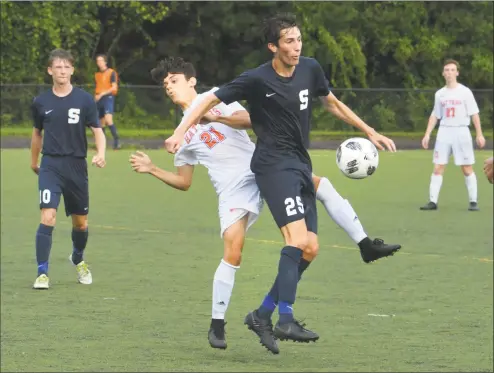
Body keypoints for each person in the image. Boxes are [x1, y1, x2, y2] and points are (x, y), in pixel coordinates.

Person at [164, 12, 398, 354]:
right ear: (273, 46)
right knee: (296, 238)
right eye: (289, 41)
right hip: (272, 165)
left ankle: (263, 314)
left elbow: (332, 102)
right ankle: (285, 317)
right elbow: (208, 100)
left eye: (299, 39)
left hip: (298, 162)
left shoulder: (310, 68)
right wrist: (179, 132)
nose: (296, 46)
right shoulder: (256, 79)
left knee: (311, 247)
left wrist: (370, 131)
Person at [30, 48, 106, 290]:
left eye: (66, 67)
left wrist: (101, 153)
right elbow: (36, 134)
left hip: (76, 165)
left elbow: (97, 130)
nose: (62, 71)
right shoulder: (40, 102)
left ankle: (78, 258)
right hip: (51, 164)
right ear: (50, 70)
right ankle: (42, 272)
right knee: (47, 217)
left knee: (80, 223)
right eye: (57, 67)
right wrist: (34, 161)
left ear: (72, 70)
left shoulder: (84, 99)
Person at [420, 59, 486, 211]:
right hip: (444, 131)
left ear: (457, 72)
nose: (449, 72)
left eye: (452, 70)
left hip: (461, 131)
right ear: (443, 73)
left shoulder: (465, 92)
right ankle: (432, 201)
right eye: (446, 70)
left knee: (467, 168)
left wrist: (479, 134)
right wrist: (427, 134)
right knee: (438, 167)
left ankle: (473, 201)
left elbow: (474, 114)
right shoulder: (440, 94)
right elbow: (435, 115)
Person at [94, 54, 120, 149]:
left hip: (108, 97)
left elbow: (114, 87)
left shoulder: (111, 72)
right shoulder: (97, 75)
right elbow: (98, 87)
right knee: (101, 123)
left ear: (105, 62)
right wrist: (96, 96)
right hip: (99, 98)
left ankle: (117, 141)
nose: (99, 63)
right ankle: (102, 144)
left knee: (108, 120)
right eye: (98, 61)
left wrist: (102, 94)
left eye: (101, 60)